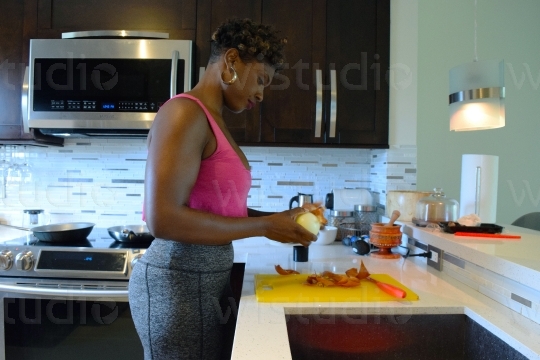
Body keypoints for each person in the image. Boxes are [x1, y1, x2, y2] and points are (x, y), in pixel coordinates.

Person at [128, 18, 317, 360]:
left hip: (203, 280)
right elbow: (163, 219)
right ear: (231, 61)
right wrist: (264, 226)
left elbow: (218, 209)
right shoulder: (184, 113)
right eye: (260, 80)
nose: (261, 93)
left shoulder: (212, 120)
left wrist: (278, 218)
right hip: (178, 283)